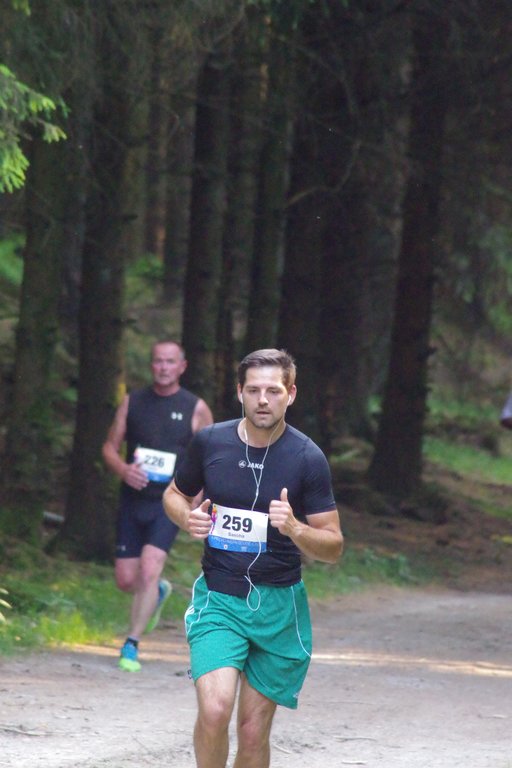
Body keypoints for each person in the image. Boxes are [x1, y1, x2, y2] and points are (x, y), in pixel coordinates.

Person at [163, 348, 343, 768]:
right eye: (254, 390)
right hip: (219, 599)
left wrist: (295, 528)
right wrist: (187, 518)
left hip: (278, 606)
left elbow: (334, 545)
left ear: (290, 394)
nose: (263, 400)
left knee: (251, 731)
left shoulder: (307, 458)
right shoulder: (211, 442)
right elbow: (174, 494)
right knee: (214, 710)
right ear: (239, 392)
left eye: (274, 391)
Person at [102, 340, 213, 672]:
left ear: (182, 366)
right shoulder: (133, 401)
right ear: (151, 366)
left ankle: (131, 643)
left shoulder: (195, 408)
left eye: (170, 362)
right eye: (158, 361)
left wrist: (198, 500)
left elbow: (211, 458)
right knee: (126, 580)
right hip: (133, 500)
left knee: (150, 568)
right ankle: (159, 592)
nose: (164, 367)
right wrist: (123, 470)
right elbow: (109, 448)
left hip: (170, 502)